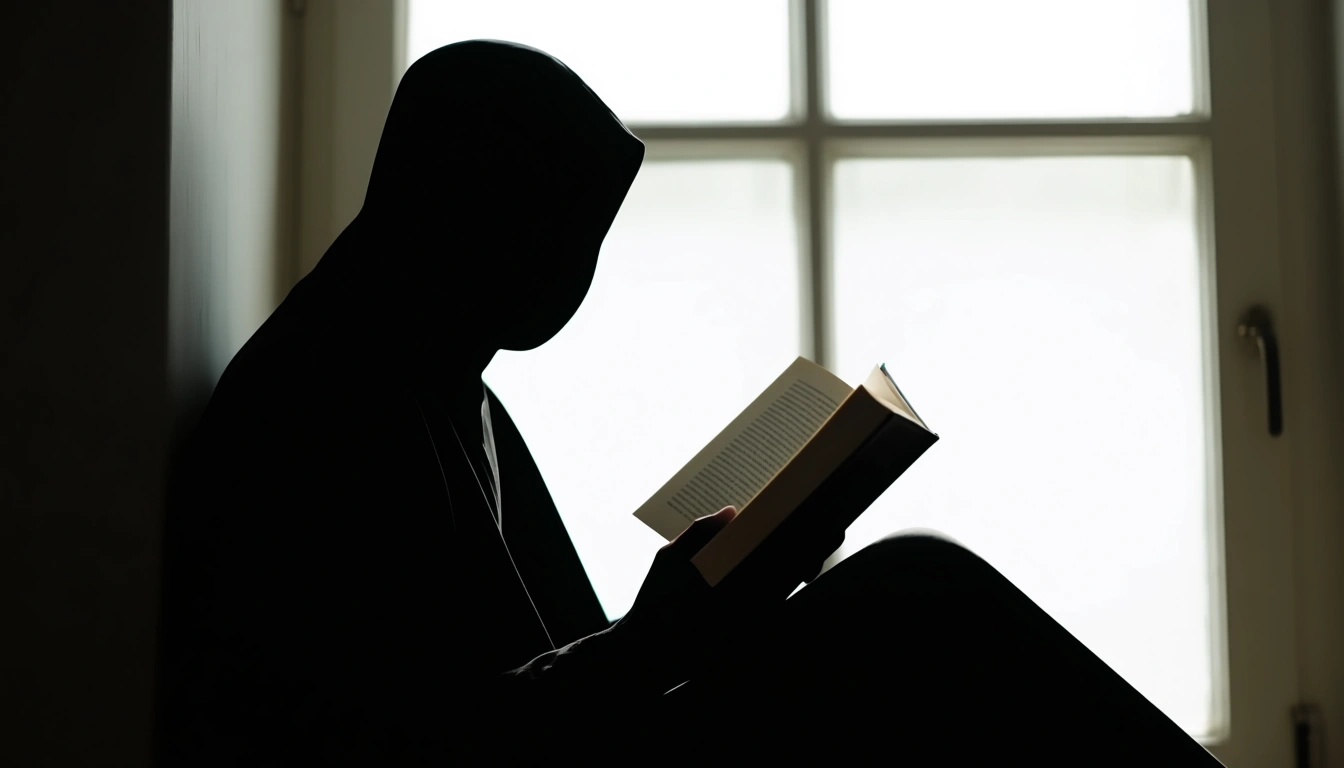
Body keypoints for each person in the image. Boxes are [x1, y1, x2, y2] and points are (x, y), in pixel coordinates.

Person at [154, 40, 1221, 765]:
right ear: (463, 203)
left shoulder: (438, 380)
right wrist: (668, 637)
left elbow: (557, 658)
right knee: (917, 594)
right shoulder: (326, 406)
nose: (574, 269)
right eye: (557, 229)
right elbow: (412, 740)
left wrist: (704, 612)